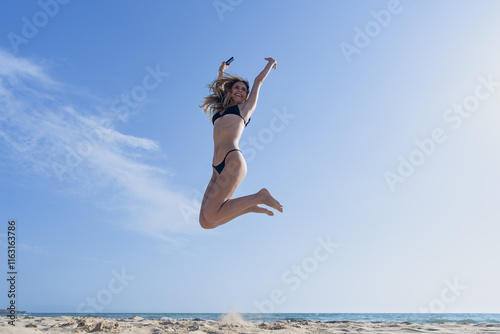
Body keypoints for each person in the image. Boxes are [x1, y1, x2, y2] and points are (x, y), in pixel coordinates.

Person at [198, 57, 283, 229]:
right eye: (236, 87)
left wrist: (270, 63)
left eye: (243, 90)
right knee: (205, 222)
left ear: (246, 95)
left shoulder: (245, 109)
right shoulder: (220, 109)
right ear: (230, 91)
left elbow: (258, 81)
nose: (239, 91)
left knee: (211, 214)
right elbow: (219, 88)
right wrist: (221, 70)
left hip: (232, 161)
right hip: (216, 169)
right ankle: (248, 207)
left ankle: (260, 196)